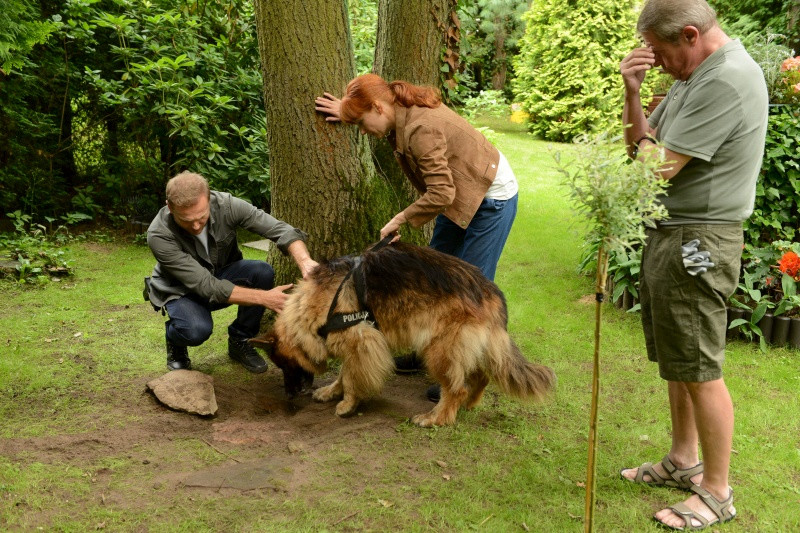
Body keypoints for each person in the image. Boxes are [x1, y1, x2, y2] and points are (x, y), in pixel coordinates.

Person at [618, 0, 767, 530]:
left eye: (660, 52)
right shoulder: (692, 74)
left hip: (699, 239)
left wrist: (646, 150)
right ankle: (684, 460)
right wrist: (633, 95)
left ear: (689, 34)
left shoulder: (724, 81)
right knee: (679, 357)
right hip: (672, 231)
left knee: (701, 366)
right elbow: (638, 146)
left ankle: (718, 493)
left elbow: (653, 168)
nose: (655, 62)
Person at [315, 74, 519, 396]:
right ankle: (426, 343)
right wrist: (346, 110)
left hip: (490, 198)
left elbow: (441, 193)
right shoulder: (398, 112)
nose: (363, 132)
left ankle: (458, 375)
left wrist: (400, 218)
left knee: (468, 289)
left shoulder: (420, 129)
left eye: (360, 123)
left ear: (379, 108)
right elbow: (445, 193)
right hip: (460, 195)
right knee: (428, 279)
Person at [145, 171, 318, 373]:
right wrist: (265, 298)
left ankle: (240, 340)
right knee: (195, 330)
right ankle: (175, 341)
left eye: (201, 217)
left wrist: (305, 262)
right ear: (169, 207)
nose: (195, 226)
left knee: (261, 272)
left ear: (209, 199)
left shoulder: (227, 205)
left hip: (220, 274)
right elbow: (206, 286)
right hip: (181, 290)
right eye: (186, 220)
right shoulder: (159, 235)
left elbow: (280, 230)